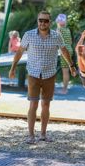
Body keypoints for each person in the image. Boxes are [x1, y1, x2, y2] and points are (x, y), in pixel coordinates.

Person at [9, 11, 76, 144]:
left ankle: (43, 134)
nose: (43, 23)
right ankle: (31, 135)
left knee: (46, 104)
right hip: (33, 74)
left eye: (46, 21)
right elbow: (20, 52)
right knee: (33, 104)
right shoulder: (29, 35)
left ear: (50, 23)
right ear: (37, 21)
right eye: (41, 20)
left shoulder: (57, 36)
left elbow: (64, 51)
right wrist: (13, 68)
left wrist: (72, 66)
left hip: (49, 75)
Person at [55, 14, 74, 94]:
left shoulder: (59, 30)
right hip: (70, 49)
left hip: (64, 51)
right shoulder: (67, 30)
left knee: (65, 71)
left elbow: (56, 40)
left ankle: (64, 90)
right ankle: (65, 89)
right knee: (67, 70)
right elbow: (70, 41)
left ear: (57, 21)